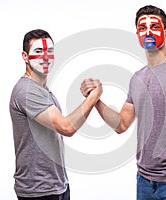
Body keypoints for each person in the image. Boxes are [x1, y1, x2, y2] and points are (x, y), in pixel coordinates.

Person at [80, 5, 166, 200]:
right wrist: (95, 100)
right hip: (143, 180)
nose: (148, 32)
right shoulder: (137, 78)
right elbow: (121, 124)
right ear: (137, 34)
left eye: (154, 26)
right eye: (142, 28)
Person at [9, 29, 102, 200]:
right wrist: (94, 96)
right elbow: (66, 127)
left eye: (49, 51)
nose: (45, 57)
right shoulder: (27, 91)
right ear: (25, 56)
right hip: (38, 191)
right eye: (38, 51)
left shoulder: (41, 89)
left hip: (56, 185)